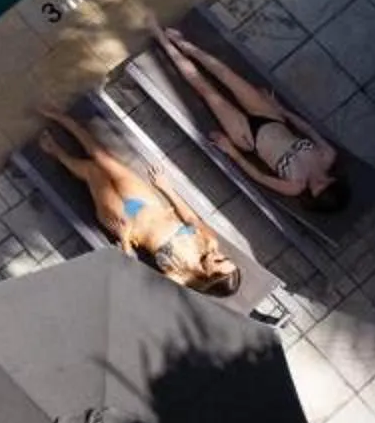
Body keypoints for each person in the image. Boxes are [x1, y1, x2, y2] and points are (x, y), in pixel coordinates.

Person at [35, 110, 240, 296]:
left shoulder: (180, 278)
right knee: (102, 157)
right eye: (226, 258)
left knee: (93, 171)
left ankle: (58, 154)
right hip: (149, 204)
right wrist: (166, 188)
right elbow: (190, 218)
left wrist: (124, 241)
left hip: (129, 225)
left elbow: (133, 278)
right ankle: (66, 119)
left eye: (219, 263)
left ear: (210, 277)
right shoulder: (210, 243)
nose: (219, 255)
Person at [155, 26, 348, 211]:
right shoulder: (327, 155)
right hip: (272, 117)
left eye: (316, 190)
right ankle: (183, 43)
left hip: (248, 137)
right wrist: (281, 110)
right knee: (226, 74)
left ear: (312, 197)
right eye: (324, 183)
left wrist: (231, 150)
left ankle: (162, 40)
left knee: (206, 90)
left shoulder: (295, 186)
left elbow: (259, 176)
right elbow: (307, 129)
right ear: (334, 181)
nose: (317, 183)